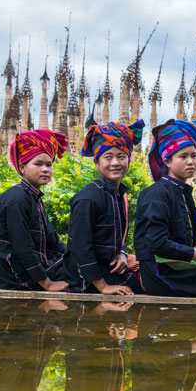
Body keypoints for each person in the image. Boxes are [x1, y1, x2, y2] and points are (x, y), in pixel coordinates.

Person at [134, 120, 196, 298]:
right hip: (162, 274)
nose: (190, 161)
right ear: (167, 161)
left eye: (193, 155)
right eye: (183, 156)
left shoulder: (182, 192)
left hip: (181, 270)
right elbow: (157, 243)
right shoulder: (156, 194)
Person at [64, 119, 145, 295]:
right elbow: (80, 248)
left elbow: (120, 239)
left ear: (129, 161)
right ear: (96, 163)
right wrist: (103, 287)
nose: (115, 162)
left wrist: (122, 254)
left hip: (110, 269)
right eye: (108, 157)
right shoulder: (88, 198)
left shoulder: (119, 195)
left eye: (121, 156)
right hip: (86, 279)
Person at [0, 130, 70, 291]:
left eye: (49, 164)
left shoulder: (34, 198)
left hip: (34, 265)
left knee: (87, 267)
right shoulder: (16, 198)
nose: (45, 169)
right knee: (85, 275)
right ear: (22, 167)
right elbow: (22, 246)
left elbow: (54, 242)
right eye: (38, 164)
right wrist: (47, 284)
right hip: (13, 271)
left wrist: (74, 259)